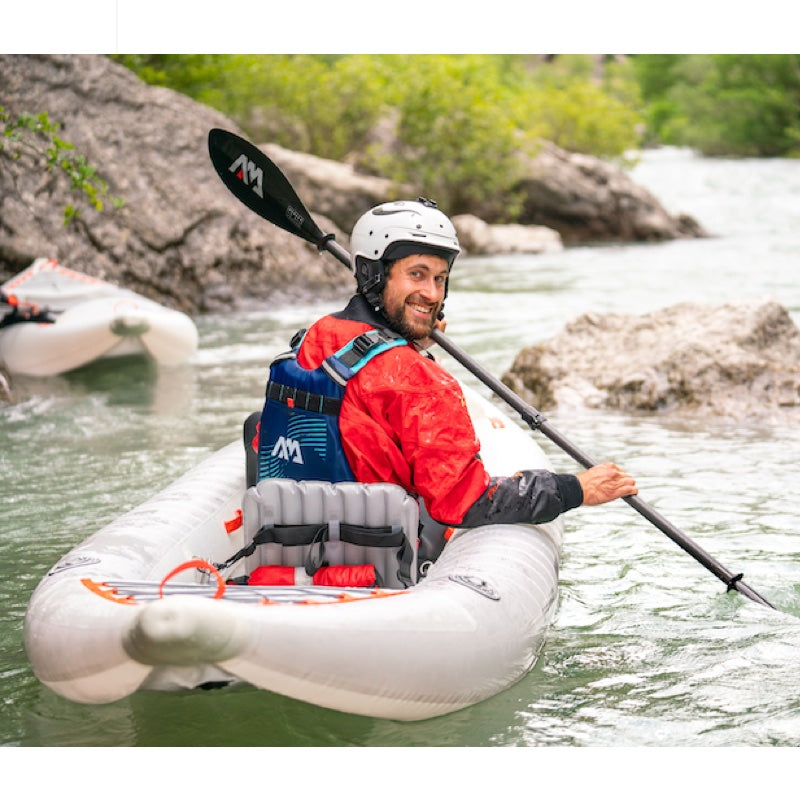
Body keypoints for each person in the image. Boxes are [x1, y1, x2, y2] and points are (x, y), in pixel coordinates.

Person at [256, 198, 637, 557]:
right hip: (373, 572)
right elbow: (466, 502)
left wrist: (404, 343)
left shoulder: (313, 337)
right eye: (417, 275)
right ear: (373, 274)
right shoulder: (419, 380)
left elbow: (356, 393)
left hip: (287, 551)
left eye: (440, 278)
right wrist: (573, 489)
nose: (431, 293)